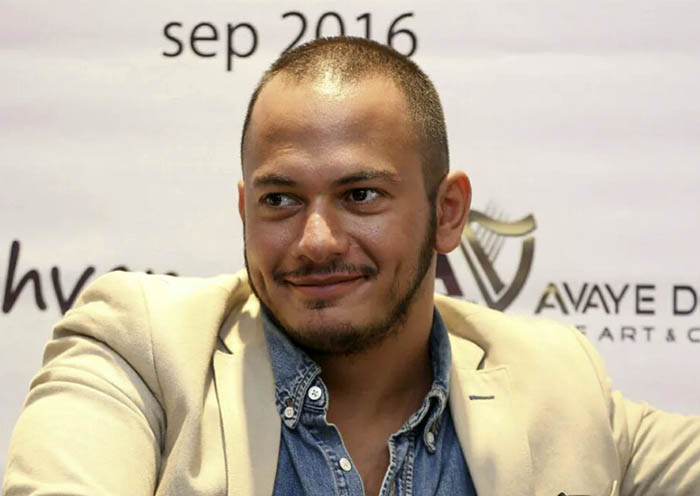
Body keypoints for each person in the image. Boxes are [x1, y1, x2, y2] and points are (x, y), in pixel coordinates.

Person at [3, 37, 699, 496]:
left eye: (360, 195)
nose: (316, 240)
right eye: (280, 199)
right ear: (245, 210)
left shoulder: (555, 376)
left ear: (448, 212)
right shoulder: (140, 349)